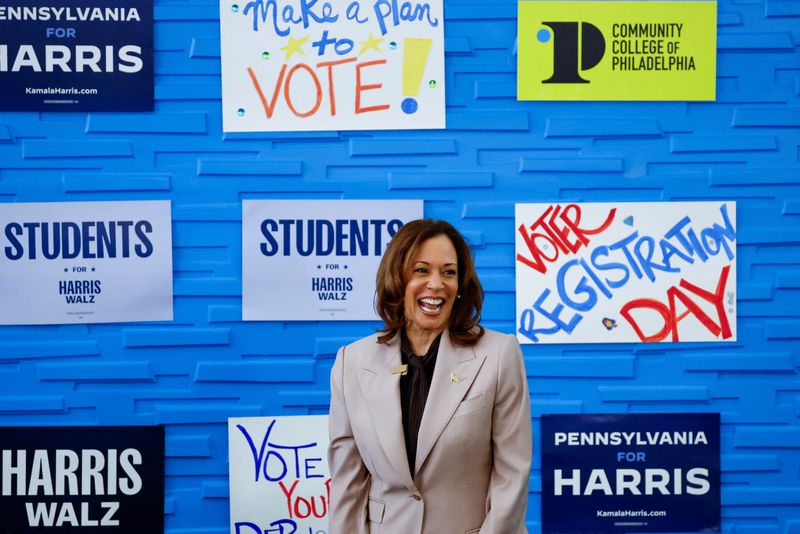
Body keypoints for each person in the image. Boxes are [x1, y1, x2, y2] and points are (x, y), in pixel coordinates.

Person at [328, 219, 532, 534]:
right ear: (397, 278)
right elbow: (348, 486)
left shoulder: (499, 354)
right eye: (421, 270)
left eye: (448, 272)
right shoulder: (351, 362)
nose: (436, 284)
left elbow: (512, 475)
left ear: (461, 285)